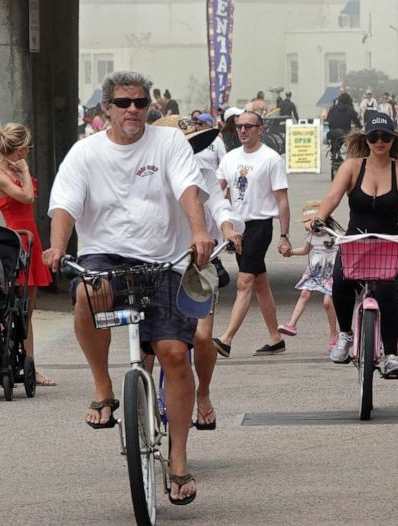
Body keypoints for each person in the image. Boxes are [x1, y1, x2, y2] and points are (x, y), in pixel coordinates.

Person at [43, 70, 214, 504]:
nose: (134, 110)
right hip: (107, 253)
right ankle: (103, 389)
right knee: (87, 292)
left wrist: (199, 232)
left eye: (140, 103)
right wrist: (56, 248)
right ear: (107, 110)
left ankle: (178, 462)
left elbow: (188, 190)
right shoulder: (85, 153)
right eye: (123, 103)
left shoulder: (169, 142)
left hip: (165, 258)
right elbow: (64, 204)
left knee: (175, 354)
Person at [315, 111, 398, 379]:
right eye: (373, 136)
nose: (379, 141)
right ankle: (345, 335)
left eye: (384, 136)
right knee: (340, 280)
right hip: (355, 242)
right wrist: (319, 218)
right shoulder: (352, 167)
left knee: (387, 292)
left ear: (393, 139)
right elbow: (333, 196)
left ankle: (392, 355)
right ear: (366, 139)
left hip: (389, 245)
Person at [154, 114, 244, 432]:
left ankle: (203, 394)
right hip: (157, 263)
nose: (188, 149)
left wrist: (228, 228)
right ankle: (144, 397)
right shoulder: (150, 175)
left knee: (202, 335)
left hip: (198, 262)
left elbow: (219, 206)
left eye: (191, 143)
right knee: (147, 340)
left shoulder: (203, 170)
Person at [213, 110, 292, 357]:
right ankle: (275, 337)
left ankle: (226, 339)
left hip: (260, 225)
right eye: (240, 126)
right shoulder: (230, 157)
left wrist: (284, 235)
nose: (243, 131)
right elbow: (217, 190)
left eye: (249, 126)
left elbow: (282, 200)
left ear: (261, 129)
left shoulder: (271, 159)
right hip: (237, 227)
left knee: (244, 281)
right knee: (260, 283)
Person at [0, 122, 56, 387]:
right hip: (15, 240)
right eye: (27, 147)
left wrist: (24, 171)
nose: (29, 151)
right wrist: (26, 171)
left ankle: (28, 364)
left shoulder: (14, 169)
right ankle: (6, 359)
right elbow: (27, 197)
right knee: (9, 308)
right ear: (19, 149)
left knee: (27, 309)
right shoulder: (0, 174)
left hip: (31, 238)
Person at [279, 201, 340, 351]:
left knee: (327, 303)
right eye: (306, 222)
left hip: (332, 268)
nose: (307, 225)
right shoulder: (311, 235)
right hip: (317, 268)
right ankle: (292, 324)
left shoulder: (333, 234)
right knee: (305, 293)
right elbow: (306, 250)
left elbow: (344, 249)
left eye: (309, 221)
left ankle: (334, 334)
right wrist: (291, 252)